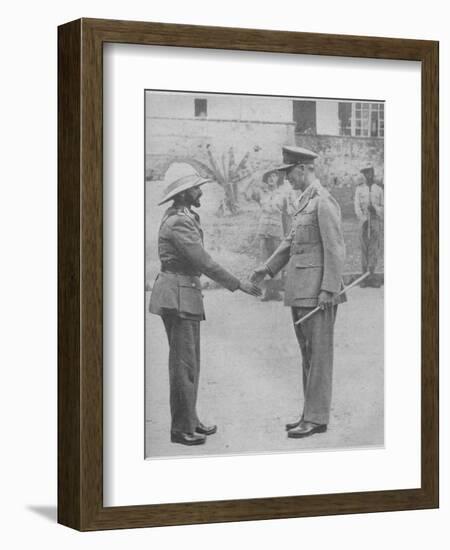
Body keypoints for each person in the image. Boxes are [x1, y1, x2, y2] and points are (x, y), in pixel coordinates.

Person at [149, 162, 261, 446]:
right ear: (185, 193)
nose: (201, 191)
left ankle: (190, 420)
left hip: (183, 293)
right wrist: (239, 284)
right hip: (178, 295)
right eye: (196, 187)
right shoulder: (179, 222)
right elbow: (204, 262)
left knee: (190, 363)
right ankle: (181, 428)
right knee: (183, 364)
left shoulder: (184, 215)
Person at [251, 146, 346, 439]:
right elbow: (291, 241)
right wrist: (267, 269)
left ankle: (317, 418)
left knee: (319, 357)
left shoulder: (323, 202)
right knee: (308, 355)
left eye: (288, 172)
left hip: (318, 292)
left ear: (303, 169)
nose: (286, 179)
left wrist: (329, 289)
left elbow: (335, 249)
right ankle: (310, 413)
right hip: (301, 290)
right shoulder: (304, 202)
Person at [255, 168, 285, 301]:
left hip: (276, 229)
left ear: (278, 179)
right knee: (264, 260)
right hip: (264, 229)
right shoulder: (262, 194)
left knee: (276, 259)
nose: (272, 179)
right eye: (269, 177)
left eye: (274, 176)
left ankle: (276, 290)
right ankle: (267, 291)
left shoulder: (283, 194)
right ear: (266, 180)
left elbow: (289, 210)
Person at [354, 166, 384, 288]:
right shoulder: (359, 189)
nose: (367, 175)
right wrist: (363, 218)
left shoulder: (378, 189)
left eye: (369, 172)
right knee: (364, 248)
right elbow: (356, 206)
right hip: (363, 222)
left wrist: (376, 209)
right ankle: (364, 277)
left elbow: (383, 206)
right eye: (365, 173)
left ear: (373, 173)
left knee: (373, 248)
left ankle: (371, 275)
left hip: (375, 221)